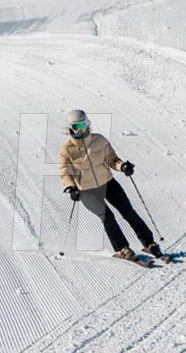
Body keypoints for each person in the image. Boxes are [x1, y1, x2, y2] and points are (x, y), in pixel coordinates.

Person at [59, 109, 166, 262]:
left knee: (128, 212)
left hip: (108, 183)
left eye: (83, 126)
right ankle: (122, 248)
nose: (80, 131)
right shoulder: (67, 149)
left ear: (87, 124)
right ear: (70, 129)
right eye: (76, 128)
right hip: (87, 191)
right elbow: (65, 171)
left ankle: (149, 243)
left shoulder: (99, 140)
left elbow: (112, 159)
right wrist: (71, 187)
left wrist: (122, 166)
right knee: (107, 216)